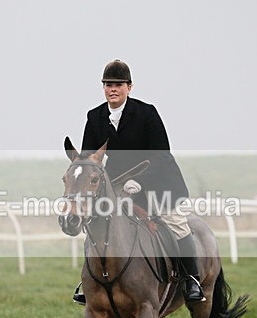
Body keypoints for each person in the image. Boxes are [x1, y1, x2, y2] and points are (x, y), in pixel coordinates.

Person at [73, 59, 204, 304]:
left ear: (129, 87)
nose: (112, 89)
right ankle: (88, 282)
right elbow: (91, 158)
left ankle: (191, 279)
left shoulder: (147, 113)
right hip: (118, 185)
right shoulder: (95, 116)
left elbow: (162, 154)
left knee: (175, 223)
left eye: (118, 84)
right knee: (97, 223)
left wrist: (140, 182)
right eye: (107, 84)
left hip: (158, 182)